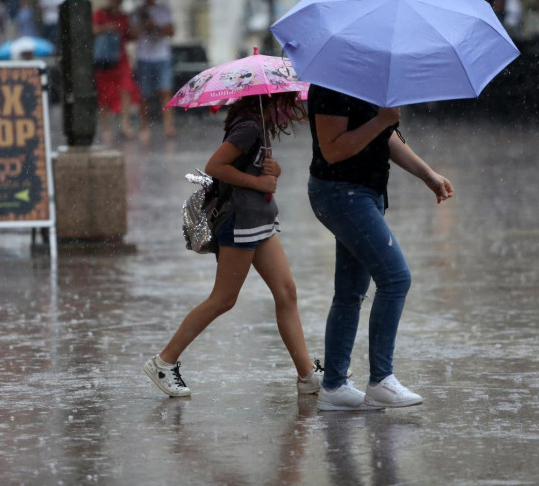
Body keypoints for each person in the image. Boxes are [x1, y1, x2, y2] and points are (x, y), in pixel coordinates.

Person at [143, 93, 323, 397]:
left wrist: (271, 171)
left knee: (286, 292)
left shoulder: (258, 124)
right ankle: (164, 362)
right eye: (289, 101)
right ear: (274, 99)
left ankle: (307, 375)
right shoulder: (250, 126)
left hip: (259, 221)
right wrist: (258, 183)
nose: (292, 107)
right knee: (224, 298)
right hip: (241, 222)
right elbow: (216, 165)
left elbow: (247, 167)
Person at [306, 84, 453, 411]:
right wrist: (379, 120)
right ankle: (381, 379)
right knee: (395, 278)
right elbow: (332, 150)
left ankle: (334, 386)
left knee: (350, 292)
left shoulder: (368, 77)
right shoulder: (331, 82)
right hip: (341, 194)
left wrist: (426, 173)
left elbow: (387, 135)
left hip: (366, 193)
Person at [92, 0, 145, 143]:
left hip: (120, 59)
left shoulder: (124, 16)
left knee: (126, 89)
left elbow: (132, 35)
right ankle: (106, 128)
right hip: (103, 60)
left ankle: (125, 124)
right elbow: (92, 30)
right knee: (104, 95)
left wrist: (136, 25)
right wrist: (108, 27)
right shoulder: (100, 13)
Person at [132, 0, 177, 137]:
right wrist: (144, 25)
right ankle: (144, 127)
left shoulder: (163, 9)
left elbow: (171, 30)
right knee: (143, 94)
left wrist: (156, 26)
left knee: (165, 91)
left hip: (162, 56)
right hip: (144, 56)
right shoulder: (138, 11)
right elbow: (131, 33)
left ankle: (168, 126)